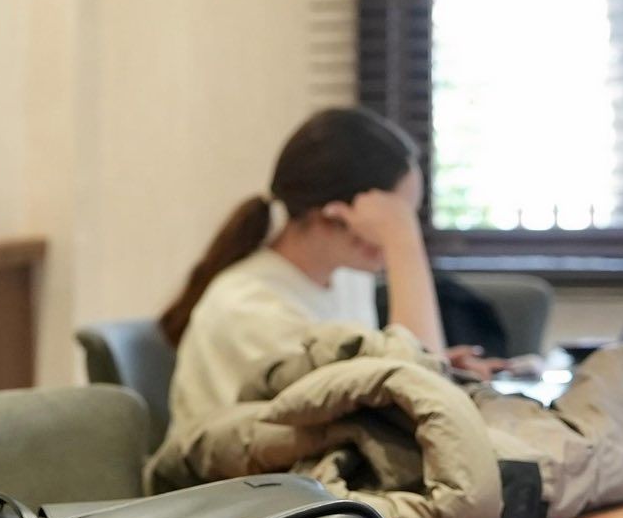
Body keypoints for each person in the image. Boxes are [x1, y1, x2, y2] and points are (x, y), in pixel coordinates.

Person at [161, 107, 491, 431]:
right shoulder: (249, 307)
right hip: (246, 466)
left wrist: (436, 362)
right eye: (396, 217)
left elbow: (378, 384)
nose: (402, 228)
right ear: (335, 215)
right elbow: (415, 401)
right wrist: (403, 244)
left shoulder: (348, 279)